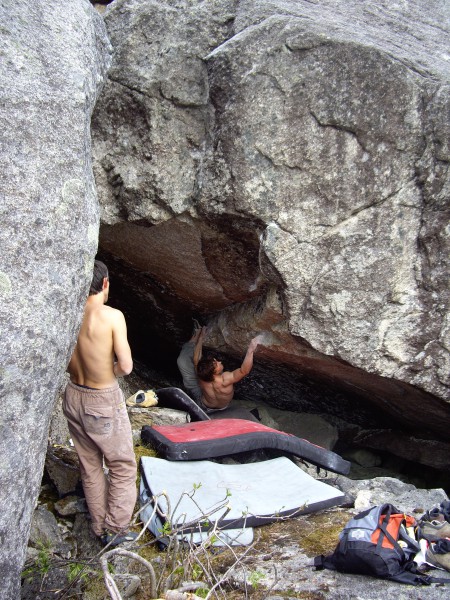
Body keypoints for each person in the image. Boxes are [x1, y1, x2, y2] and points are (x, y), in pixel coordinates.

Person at [63, 260, 138, 547]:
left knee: (90, 464)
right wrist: (111, 371)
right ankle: (116, 530)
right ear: (105, 283)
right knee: (122, 465)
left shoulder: (68, 314)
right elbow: (127, 366)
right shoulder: (111, 316)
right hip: (101, 398)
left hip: (73, 393)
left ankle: (98, 526)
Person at [195, 334, 263, 412]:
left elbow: (196, 360)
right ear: (215, 372)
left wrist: (200, 338)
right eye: (217, 364)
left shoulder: (201, 374)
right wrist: (250, 350)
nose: (220, 362)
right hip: (223, 408)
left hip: (205, 405)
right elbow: (244, 371)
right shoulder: (224, 380)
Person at [176, 324, 204, 403]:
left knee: (184, 356)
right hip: (193, 386)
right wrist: (201, 337)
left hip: (194, 387)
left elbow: (197, 361)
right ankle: (198, 331)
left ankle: (198, 331)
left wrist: (201, 338)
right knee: (186, 353)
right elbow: (197, 361)